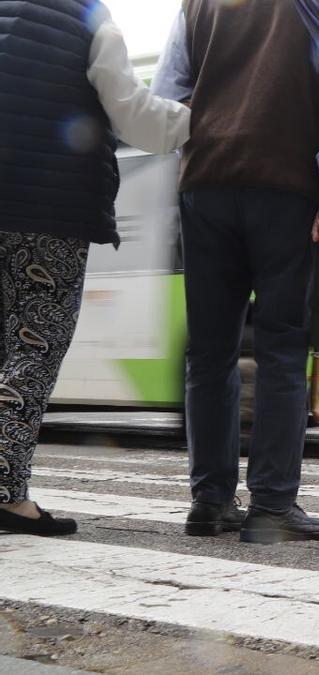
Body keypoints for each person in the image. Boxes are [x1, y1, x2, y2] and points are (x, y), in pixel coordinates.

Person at [152, 0, 319, 543]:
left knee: (209, 352)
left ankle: (209, 501)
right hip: (284, 186)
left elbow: (166, 93)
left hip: (205, 186)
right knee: (281, 349)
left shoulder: (196, 5)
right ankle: (271, 504)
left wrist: (203, 148)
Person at [0, 0, 190, 536]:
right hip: (47, 212)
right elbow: (135, 116)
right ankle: (6, 495)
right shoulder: (86, 17)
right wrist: (202, 118)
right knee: (32, 348)